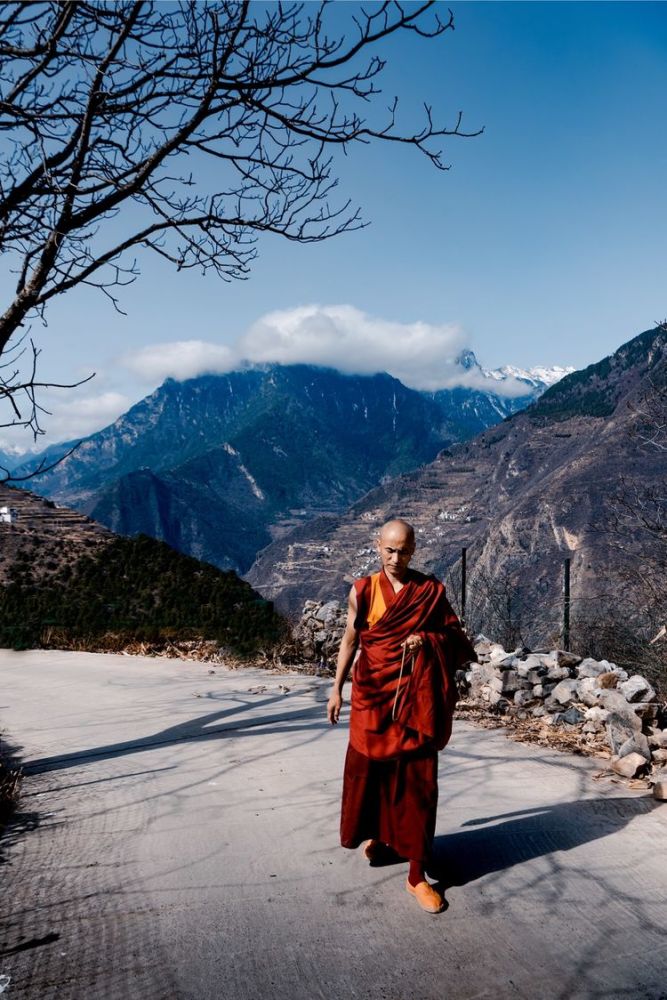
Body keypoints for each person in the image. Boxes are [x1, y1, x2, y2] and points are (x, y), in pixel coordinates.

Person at [327, 518, 476, 913]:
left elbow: (455, 640)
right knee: (370, 777)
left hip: (416, 703)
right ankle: (380, 835)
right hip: (371, 699)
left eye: (404, 551)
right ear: (378, 546)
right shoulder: (362, 591)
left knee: (417, 788)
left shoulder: (427, 592)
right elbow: (350, 642)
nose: (396, 558)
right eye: (389, 550)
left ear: (414, 550)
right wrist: (336, 689)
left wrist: (425, 640)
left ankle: (416, 876)